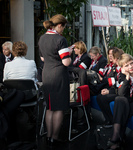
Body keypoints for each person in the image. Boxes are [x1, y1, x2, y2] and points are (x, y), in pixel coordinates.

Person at [38, 14, 71, 147]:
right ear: (59, 25)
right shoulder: (60, 39)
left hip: (47, 73)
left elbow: (43, 59)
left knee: (50, 107)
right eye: (63, 27)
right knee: (59, 108)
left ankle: (48, 137)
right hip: (58, 75)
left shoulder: (42, 38)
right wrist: (69, 52)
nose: (63, 30)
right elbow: (66, 62)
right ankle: (55, 138)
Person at [96, 48, 124, 128]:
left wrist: (109, 91)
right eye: (110, 55)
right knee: (99, 97)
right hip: (114, 89)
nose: (111, 57)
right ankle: (108, 119)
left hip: (122, 93)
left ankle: (111, 120)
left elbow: (120, 86)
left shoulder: (122, 68)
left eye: (113, 56)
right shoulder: (114, 67)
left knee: (102, 98)